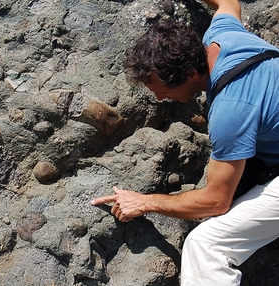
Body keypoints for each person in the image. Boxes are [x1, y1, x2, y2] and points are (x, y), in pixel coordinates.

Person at [90, 0, 279, 284]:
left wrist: (145, 202)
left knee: (205, 246)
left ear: (191, 74)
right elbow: (228, 2)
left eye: (164, 91)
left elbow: (216, 201)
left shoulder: (230, 110)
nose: (159, 99)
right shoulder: (224, 34)